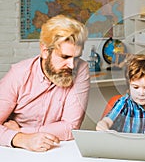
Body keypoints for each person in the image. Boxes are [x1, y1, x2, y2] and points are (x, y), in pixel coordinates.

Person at [0, 15, 90, 152]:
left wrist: (22, 131)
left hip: (58, 149)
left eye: (76, 57)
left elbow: (71, 126)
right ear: (45, 51)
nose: (72, 65)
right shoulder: (19, 73)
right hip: (16, 150)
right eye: (65, 57)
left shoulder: (81, 69)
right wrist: (20, 139)